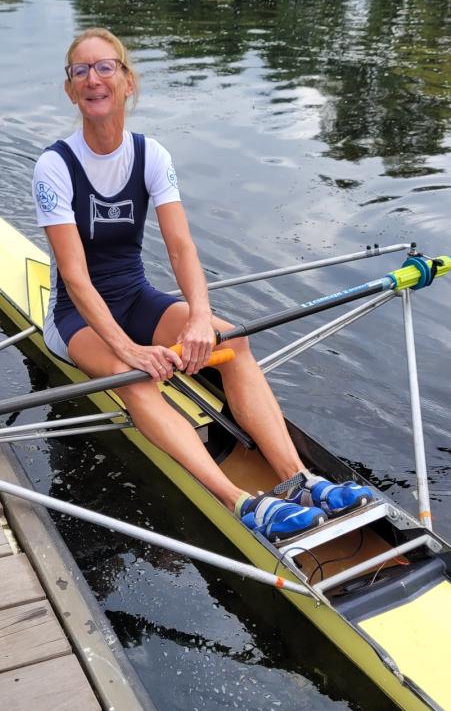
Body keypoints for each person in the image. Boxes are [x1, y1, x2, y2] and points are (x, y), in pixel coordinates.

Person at [32, 28, 372, 543]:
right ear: (70, 89)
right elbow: (76, 279)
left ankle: (298, 481)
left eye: (105, 67)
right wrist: (131, 350)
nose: (93, 79)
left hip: (133, 297)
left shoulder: (151, 156)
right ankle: (240, 502)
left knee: (232, 341)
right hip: (75, 318)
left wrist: (196, 318)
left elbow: (181, 248)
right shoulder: (55, 166)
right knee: (134, 377)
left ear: (127, 82)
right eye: (81, 71)